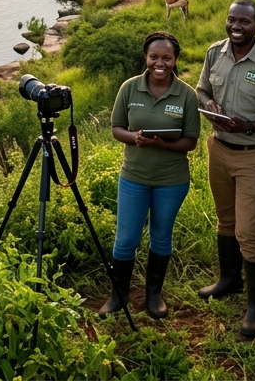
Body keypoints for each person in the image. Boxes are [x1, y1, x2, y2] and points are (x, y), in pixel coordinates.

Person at [196, 0, 255, 337]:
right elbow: (202, 89)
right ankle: (228, 279)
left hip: (253, 156)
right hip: (218, 150)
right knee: (226, 220)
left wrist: (248, 127)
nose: (236, 26)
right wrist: (208, 103)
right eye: (231, 19)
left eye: (244, 22)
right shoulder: (214, 54)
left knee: (248, 231)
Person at [101, 32, 201, 319]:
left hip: (171, 180)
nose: (160, 63)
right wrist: (135, 138)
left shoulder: (186, 95)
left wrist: (162, 144)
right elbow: (116, 128)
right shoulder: (129, 89)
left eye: (166, 58)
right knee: (126, 239)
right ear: (146, 58)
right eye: (154, 57)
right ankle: (117, 295)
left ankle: (153, 295)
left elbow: (190, 141)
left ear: (175, 60)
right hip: (133, 177)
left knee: (161, 237)